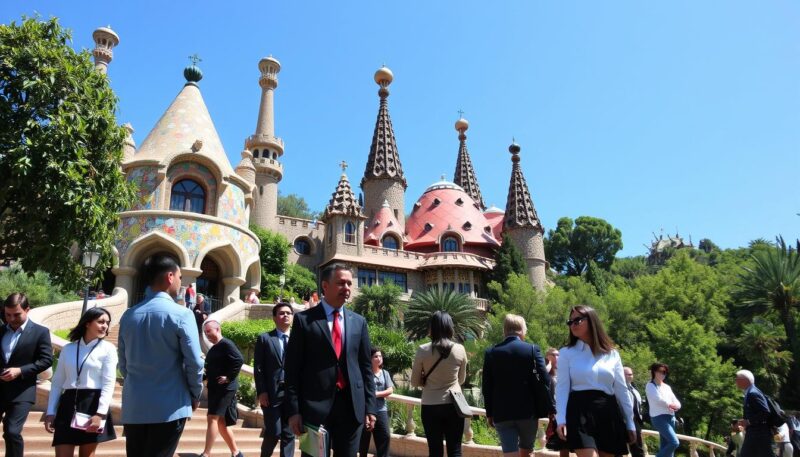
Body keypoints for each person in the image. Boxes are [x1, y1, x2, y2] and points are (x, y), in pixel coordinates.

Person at [284, 264, 377, 456]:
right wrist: (294, 411)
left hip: (352, 408)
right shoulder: (304, 320)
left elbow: (365, 368)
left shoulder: (359, 322)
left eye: (349, 283)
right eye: (341, 283)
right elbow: (292, 369)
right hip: (314, 409)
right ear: (325, 286)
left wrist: (370, 407)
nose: (347, 288)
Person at [117, 255, 204, 457]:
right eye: (181, 277)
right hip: (170, 406)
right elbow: (194, 362)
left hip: (134, 406)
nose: (181, 282)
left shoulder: (129, 315)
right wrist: (194, 393)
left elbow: (123, 364)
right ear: (170, 276)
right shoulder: (182, 314)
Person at [555, 305, 635, 457]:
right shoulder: (566, 353)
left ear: (592, 321)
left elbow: (621, 390)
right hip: (579, 411)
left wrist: (630, 422)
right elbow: (562, 389)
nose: (572, 324)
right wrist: (561, 420)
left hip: (608, 412)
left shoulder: (612, 354)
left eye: (577, 320)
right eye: (570, 321)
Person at [44, 307, 118, 456]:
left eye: (107, 323)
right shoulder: (68, 349)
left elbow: (109, 383)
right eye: (101, 322)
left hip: (93, 404)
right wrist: (51, 411)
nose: (105, 326)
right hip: (68, 403)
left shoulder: (108, 349)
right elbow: (57, 382)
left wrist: (100, 413)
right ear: (87, 323)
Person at [481, 314, 550, 457]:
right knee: (527, 450)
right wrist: (547, 405)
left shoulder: (491, 353)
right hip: (528, 413)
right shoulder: (532, 350)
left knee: (509, 452)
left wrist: (489, 413)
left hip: (502, 412)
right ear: (523, 330)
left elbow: (487, 386)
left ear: (504, 330)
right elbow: (545, 379)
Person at [0, 293, 53, 457]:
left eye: (16, 314)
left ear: (27, 310)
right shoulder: (1, 331)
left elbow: (46, 360)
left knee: (12, 431)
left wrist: (20, 371)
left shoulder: (40, 332)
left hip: (22, 392)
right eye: (7, 314)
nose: (11, 319)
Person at [410, 310, 468, 457]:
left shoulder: (422, 350)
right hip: (454, 404)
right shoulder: (460, 349)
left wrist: (427, 382)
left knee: (435, 451)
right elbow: (461, 380)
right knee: (455, 450)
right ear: (450, 327)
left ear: (433, 327)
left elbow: (414, 381)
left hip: (430, 405)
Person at [254, 302, 295, 457]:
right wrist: (262, 391)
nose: (285, 316)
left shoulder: (298, 340)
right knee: (274, 431)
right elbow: (259, 368)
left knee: (289, 435)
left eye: (288, 313)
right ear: (274, 318)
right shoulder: (265, 339)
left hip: (292, 396)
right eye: (281, 313)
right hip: (271, 395)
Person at [200, 320, 245, 457]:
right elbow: (210, 368)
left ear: (218, 329)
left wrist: (229, 377)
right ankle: (236, 452)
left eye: (209, 331)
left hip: (225, 388)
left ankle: (206, 453)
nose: (207, 335)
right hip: (215, 388)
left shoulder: (226, 344)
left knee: (212, 418)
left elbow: (239, 359)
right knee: (221, 422)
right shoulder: (214, 348)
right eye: (205, 332)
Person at [358, 347, 394, 457]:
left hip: (381, 410)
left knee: (385, 437)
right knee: (363, 440)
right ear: (370, 359)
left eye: (380, 356)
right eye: (375, 356)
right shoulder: (364, 374)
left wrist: (374, 394)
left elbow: (390, 390)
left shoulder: (385, 373)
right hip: (366, 411)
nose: (379, 358)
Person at [735, 370, 776, 457]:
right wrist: (746, 421)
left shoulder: (753, 393)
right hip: (756, 432)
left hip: (759, 433)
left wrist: (749, 421)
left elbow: (765, 412)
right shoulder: (750, 392)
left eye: (737, 379)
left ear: (745, 380)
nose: (735, 381)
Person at [645, 362, 681, 457]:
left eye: (664, 372)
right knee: (674, 442)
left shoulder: (667, 387)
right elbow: (658, 399)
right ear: (654, 372)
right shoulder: (650, 385)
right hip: (659, 418)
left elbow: (676, 401)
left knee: (666, 445)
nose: (662, 374)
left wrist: (676, 405)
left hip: (671, 417)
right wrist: (670, 405)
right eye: (660, 371)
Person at [544, 347, 568, 457]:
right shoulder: (546, 370)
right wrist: (548, 363)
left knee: (566, 443)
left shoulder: (562, 371)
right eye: (554, 355)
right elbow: (542, 376)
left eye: (558, 355)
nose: (557, 357)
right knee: (561, 443)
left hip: (564, 409)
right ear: (547, 356)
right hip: (552, 410)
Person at [624, 366, 646, 457]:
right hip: (622, 419)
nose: (631, 376)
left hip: (635, 420)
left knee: (637, 447)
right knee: (619, 447)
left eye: (631, 374)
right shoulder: (617, 388)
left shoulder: (634, 388)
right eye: (628, 374)